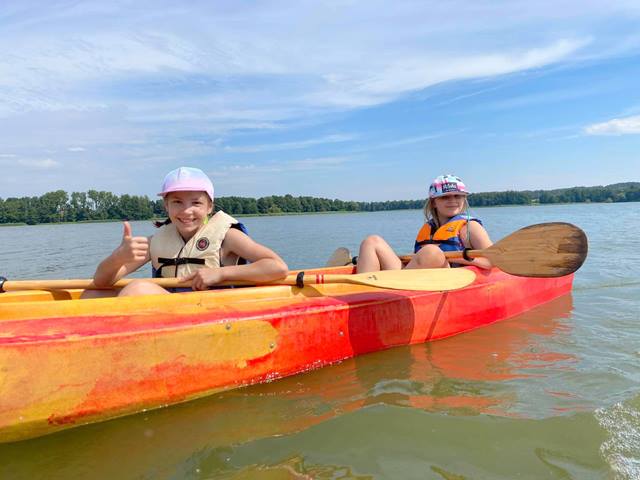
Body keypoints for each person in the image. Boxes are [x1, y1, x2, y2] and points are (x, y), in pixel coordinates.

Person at [88, 167, 288, 296]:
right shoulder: (154, 243)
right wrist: (117, 257)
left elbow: (278, 267)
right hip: (174, 310)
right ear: (166, 206)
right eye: (177, 202)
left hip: (214, 311)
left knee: (138, 289)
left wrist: (221, 273)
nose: (186, 211)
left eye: (196, 203)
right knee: (92, 295)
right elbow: (101, 281)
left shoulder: (228, 237)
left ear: (209, 206)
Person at [356, 174, 493, 273]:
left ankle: (393, 288)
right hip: (417, 277)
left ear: (464, 199)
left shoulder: (471, 227)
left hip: (450, 280)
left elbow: (491, 262)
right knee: (372, 241)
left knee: (431, 251)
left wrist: (456, 257)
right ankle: (363, 293)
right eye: (445, 197)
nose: (452, 200)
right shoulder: (430, 228)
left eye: (457, 196)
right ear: (434, 202)